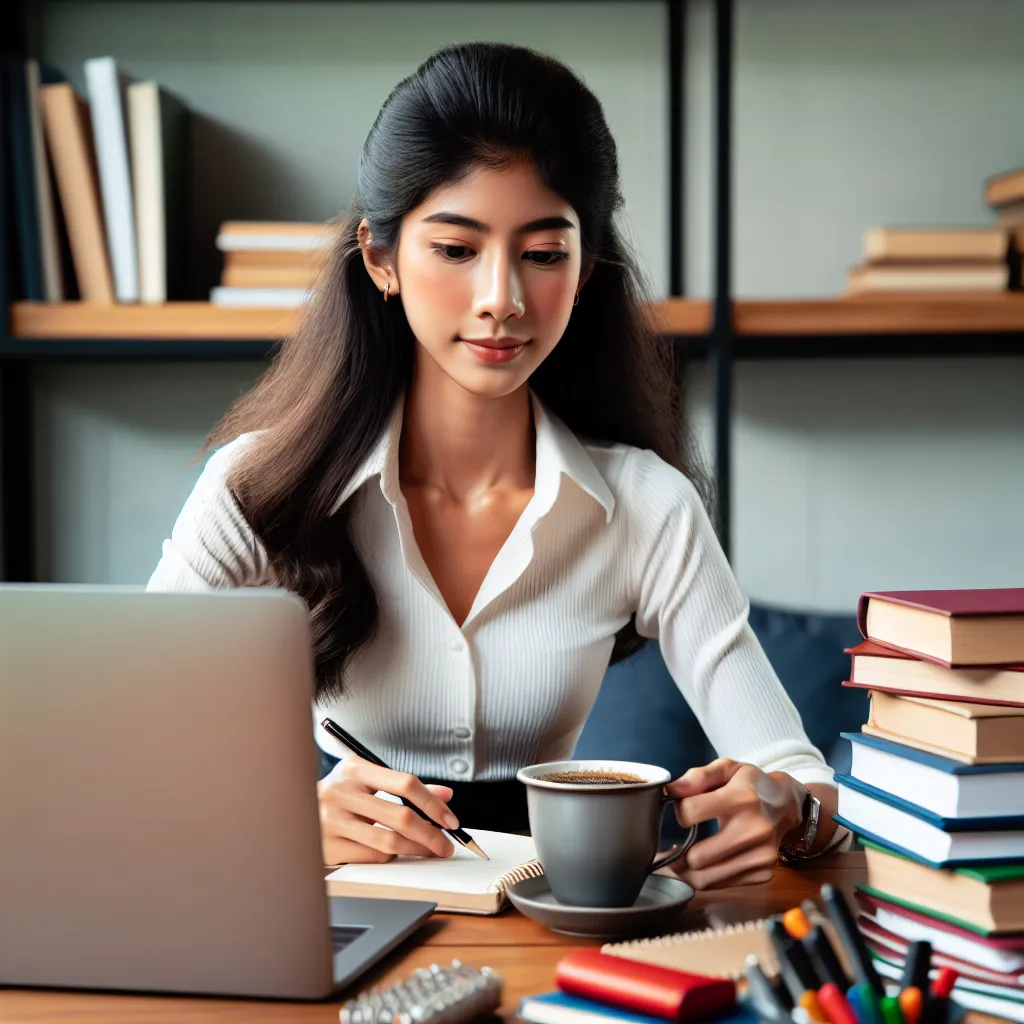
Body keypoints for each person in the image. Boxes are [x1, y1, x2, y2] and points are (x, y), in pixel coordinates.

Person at [148, 41, 848, 888]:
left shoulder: (645, 505)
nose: (501, 299)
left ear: (586, 271)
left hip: (551, 920)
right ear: (380, 259)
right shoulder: (253, 489)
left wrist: (789, 812)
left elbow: (794, 770)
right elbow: (128, 759)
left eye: (543, 254)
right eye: (455, 248)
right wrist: (280, 812)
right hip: (332, 918)